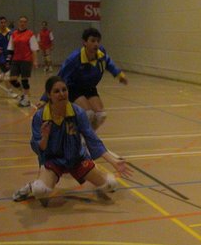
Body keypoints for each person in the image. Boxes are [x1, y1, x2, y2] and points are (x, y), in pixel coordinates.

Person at [12, 76, 132, 205]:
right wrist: (45, 137)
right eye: (56, 91)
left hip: (77, 159)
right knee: (41, 191)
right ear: (49, 95)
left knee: (111, 184)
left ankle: (96, 179)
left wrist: (113, 161)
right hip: (53, 160)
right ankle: (30, 187)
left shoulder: (77, 112)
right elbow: (38, 147)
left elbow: (92, 139)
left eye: (64, 90)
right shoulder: (40, 116)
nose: (62, 94)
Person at [37, 27, 127, 131]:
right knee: (88, 114)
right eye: (92, 41)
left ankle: (88, 136)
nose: (96, 44)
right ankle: (76, 135)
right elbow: (59, 78)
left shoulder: (101, 53)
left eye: (98, 41)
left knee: (100, 115)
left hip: (89, 87)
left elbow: (108, 63)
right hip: (73, 88)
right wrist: (44, 99)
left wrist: (119, 75)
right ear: (84, 42)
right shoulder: (74, 59)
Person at [7, 16, 39, 107]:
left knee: (24, 80)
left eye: (24, 22)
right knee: (12, 79)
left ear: (26, 23)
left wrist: (35, 61)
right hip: (16, 59)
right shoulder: (14, 34)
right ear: (18, 22)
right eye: (21, 21)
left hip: (26, 60)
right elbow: (10, 48)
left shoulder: (30, 34)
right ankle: (24, 93)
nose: (22, 23)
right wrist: (8, 60)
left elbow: (34, 49)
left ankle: (26, 100)